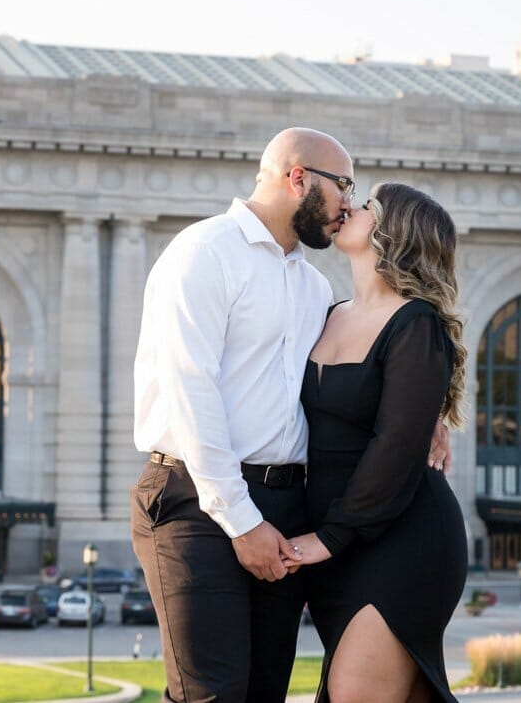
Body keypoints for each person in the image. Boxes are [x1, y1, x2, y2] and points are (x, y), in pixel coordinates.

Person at [130, 128, 450, 702]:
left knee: (264, 692)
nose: (348, 204)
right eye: (343, 187)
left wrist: (425, 412)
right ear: (297, 178)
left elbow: (365, 378)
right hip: (196, 500)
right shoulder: (204, 252)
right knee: (212, 694)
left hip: (286, 508)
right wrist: (242, 521)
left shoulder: (312, 288)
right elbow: (190, 391)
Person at [286, 182, 468, 703]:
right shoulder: (326, 309)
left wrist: (330, 537)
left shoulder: (417, 323)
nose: (349, 206)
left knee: (354, 694)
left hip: (402, 540)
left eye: (367, 205)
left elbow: (395, 445)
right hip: (338, 545)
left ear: (394, 233)